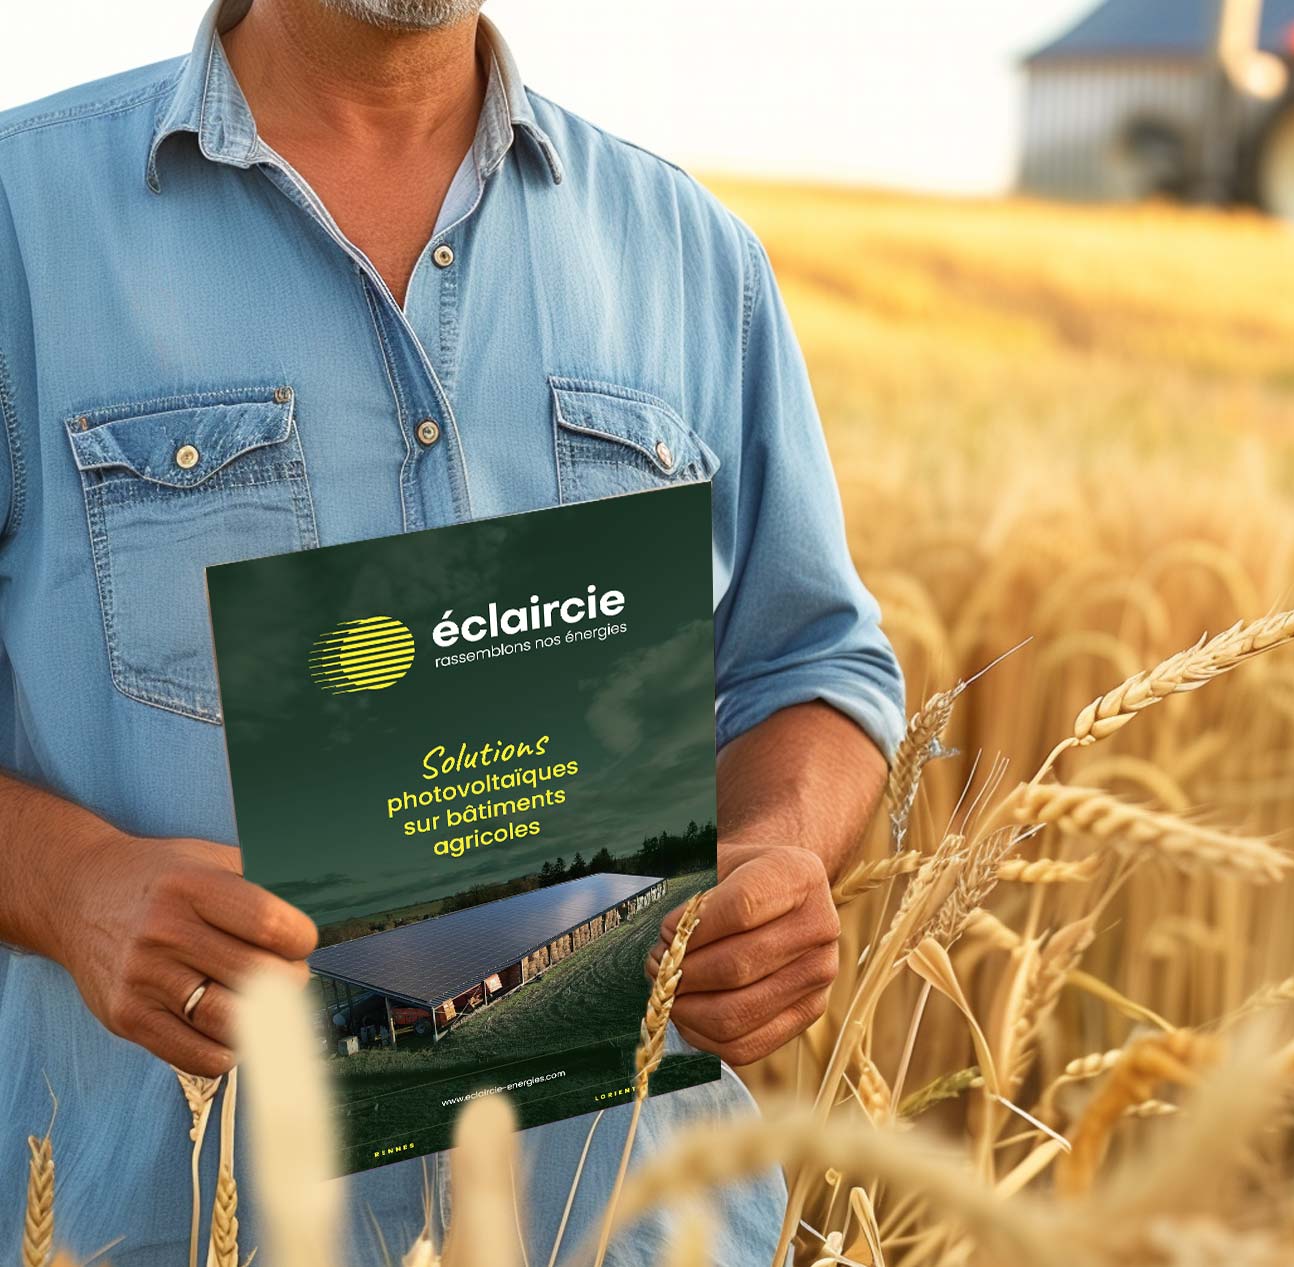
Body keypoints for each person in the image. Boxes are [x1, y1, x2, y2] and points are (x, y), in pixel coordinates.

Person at [0, 0, 904, 1261]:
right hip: (159, 1219)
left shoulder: (693, 256)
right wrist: (66, 883)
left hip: (619, 1222)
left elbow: (812, 664)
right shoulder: (19, 218)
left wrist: (776, 846)